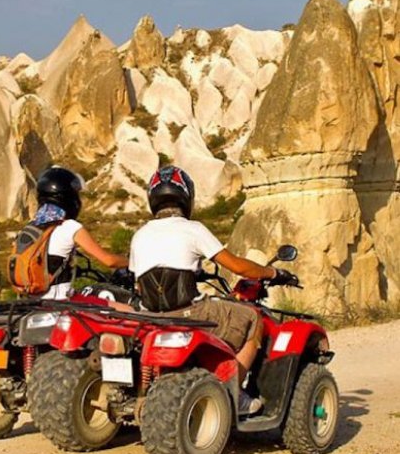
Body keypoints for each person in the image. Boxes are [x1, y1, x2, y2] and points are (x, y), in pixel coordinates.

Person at [129, 166, 296, 415]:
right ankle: (235, 392)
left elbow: (140, 283)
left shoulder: (139, 235)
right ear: (187, 197)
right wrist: (273, 273)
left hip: (154, 316)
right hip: (191, 312)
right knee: (253, 319)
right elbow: (239, 267)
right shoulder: (193, 229)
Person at [33, 166, 128, 299]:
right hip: (60, 302)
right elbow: (109, 261)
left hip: (34, 303)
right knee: (125, 309)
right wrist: (133, 262)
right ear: (67, 197)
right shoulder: (70, 227)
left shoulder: (32, 228)